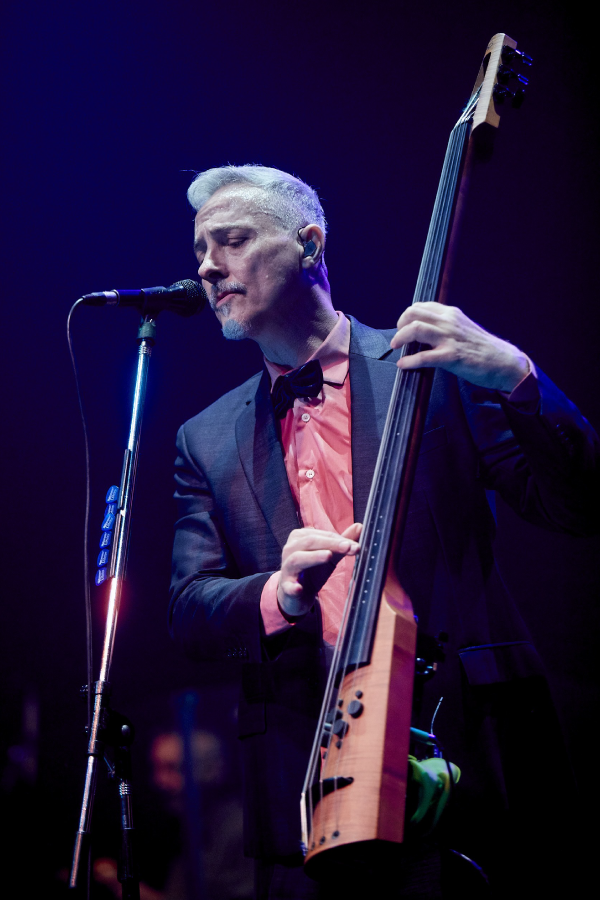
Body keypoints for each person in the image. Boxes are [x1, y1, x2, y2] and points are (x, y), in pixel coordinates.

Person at [169, 165, 599, 899]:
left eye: (232, 241)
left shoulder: (429, 366)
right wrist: (278, 593)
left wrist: (518, 376)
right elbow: (188, 608)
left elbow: (577, 506)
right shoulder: (204, 437)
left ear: (310, 244)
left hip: (466, 745)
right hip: (309, 777)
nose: (208, 266)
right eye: (200, 250)